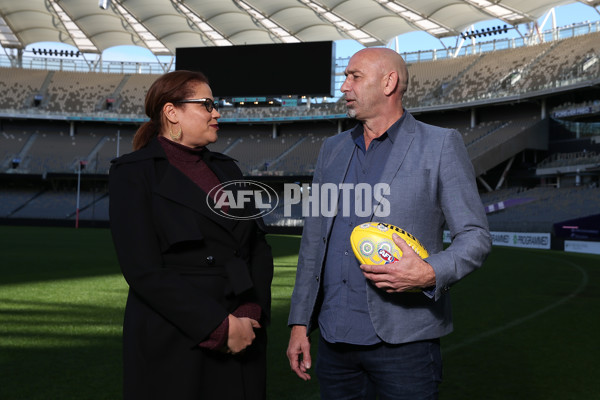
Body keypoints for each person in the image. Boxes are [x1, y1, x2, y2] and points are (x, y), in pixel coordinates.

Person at [286, 48, 492, 399]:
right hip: (334, 342)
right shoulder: (331, 150)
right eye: (345, 76)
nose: (344, 86)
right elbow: (313, 242)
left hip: (405, 344)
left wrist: (429, 272)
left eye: (354, 76)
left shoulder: (440, 145)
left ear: (389, 82)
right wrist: (299, 322)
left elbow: (475, 236)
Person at [109, 70, 274, 400]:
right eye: (207, 105)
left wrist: (249, 312)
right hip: (174, 337)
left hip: (243, 335)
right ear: (172, 112)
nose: (217, 114)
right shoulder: (133, 173)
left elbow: (257, 247)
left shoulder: (229, 170)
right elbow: (143, 270)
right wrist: (217, 326)